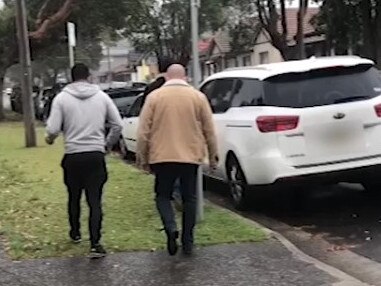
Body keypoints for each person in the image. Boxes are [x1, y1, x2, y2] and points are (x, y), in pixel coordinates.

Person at [136, 64, 218, 256]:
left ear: (166, 77)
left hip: (162, 156)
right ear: (185, 77)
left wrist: (142, 156)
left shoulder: (154, 97)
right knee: (190, 198)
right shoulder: (198, 97)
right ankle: (188, 241)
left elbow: (143, 132)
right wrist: (213, 156)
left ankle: (171, 227)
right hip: (190, 156)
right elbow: (209, 130)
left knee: (162, 196)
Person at [45, 63, 123, 258]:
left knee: (74, 197)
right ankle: (95, 243)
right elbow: (118, 125)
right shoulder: (102, 97)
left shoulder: (61, 99)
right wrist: (106, 144)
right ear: (88, 76)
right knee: (94, 200)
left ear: (71, 77)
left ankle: (75, 232)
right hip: (95, 155)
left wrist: (50, 139)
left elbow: (53, 128)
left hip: (73, 155)